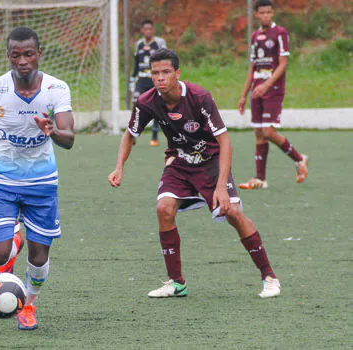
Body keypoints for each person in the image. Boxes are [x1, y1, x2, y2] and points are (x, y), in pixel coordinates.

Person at [108, 48, 281, 299]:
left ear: (177, 73)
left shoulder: (199, 97)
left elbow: (225, 143)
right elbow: (129, 135)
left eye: (166, 72)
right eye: (155, 73)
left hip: (210, 163)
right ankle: (176, 283)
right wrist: (119, 167)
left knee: (232, 212)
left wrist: (221, 186)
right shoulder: (146, 101)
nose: (160, 78)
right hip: (178, 163)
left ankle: (269, 276)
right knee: (163, 209)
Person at [0, 27, 75, 330]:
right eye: (16, 55)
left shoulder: (56, 90)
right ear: (8, 57)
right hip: (0, 180)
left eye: (28, 54)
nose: (23, 61)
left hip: (41, 183)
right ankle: (12, 242)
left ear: (39, 54)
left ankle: (29, 305)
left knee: (39, 257)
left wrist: (51, 130)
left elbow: (69, 139)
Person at [238, 0, 308, 190]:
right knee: (259, 133)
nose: (267, 16)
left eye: (269, 12)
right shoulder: (254, 36)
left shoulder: (280, 33)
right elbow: (252, 67)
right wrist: (244, 95)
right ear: (256, 15)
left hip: (273, 89)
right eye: (263, 13)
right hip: (257, 89)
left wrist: (268, 84)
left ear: (273, 13)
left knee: (268, 132)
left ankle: (300, 159)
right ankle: (260, 179)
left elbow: (283, 63)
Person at [131, 19, 166, 147]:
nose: (148, 31)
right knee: (136, 105)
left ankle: (155, 135)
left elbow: (166, 60)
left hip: (154, 80)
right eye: (145, 29)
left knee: (156, 106)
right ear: (142, 31)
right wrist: (132, 78)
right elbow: (136, 63)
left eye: (150, 29)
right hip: (141, 80)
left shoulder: (159, 43)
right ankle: (133, 134)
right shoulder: (139, 44)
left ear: (153, 30)